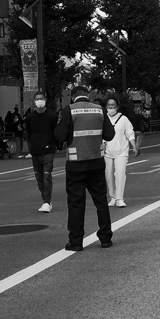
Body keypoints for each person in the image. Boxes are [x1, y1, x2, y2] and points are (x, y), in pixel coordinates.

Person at [54, 85, 114, 251]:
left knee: (76, 203)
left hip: (76, 163)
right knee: (101, 200)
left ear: (73, 97)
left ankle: (76, 241)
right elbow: (110, 135)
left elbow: (59, 135)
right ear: (88, 95)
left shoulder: (69, 110)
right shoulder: (99, 110)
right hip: (96, 161)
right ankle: (106, 237)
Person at [24, 93, 59, 213]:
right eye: (37, 99)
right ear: (34, 101)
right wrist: (31, 147)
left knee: (46, 175)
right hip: (35, 151)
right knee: (39, 178)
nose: (39, 101)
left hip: (48, 150)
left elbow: (56, 131)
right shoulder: (30, 117)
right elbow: (28, 134)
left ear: (45, 100)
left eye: (41, 99)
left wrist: (55, 145)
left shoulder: (52, 115)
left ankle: (47, 202)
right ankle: (45, 199)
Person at [103, 96, 137, 208]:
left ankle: (119, 198)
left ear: (117, 107)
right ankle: (112, 197)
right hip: (106, 151)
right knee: (108, 175)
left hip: (121, 151)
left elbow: (130, 133)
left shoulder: (123, 119)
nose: (110, 107)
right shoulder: (103, 118)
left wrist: (134, 146)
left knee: (120, 173)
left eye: (112, 105)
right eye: (108, 105)